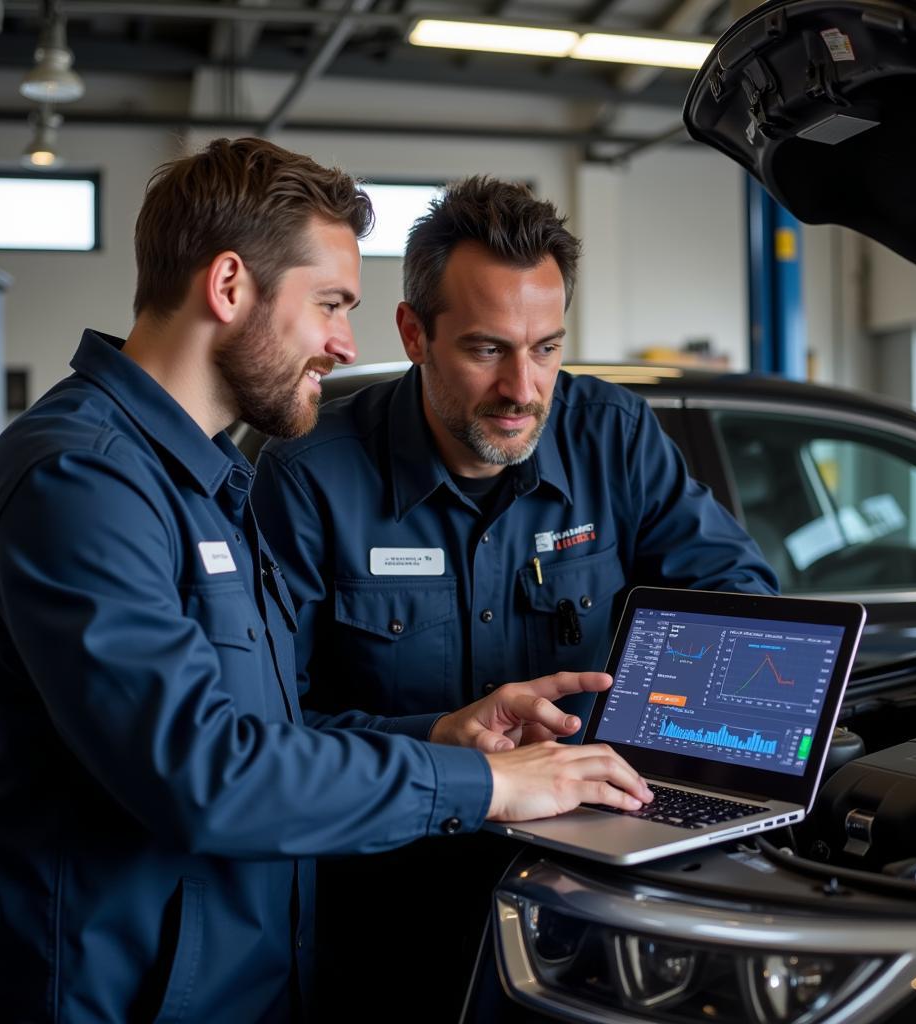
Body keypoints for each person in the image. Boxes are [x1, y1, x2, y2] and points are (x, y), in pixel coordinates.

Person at [0, 139, 651, 1024]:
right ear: (229, 287)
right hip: (122, 998)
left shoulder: (206, 482)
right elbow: (206, 774)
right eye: (332, 304)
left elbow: (267, 733)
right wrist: (494, 788)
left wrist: (442, 737)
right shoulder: (82, 479)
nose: (345, 342)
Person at [250, 176, 779, 1020]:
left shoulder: (615, 436)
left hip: (589, 897)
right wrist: (439, 741)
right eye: (488, 350)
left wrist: (629, 725)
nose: (524, 390)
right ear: (414, 333)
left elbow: (742, 599)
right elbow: (266, 736)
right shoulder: (309, 480)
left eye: (547, 348)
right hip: (387, 909)